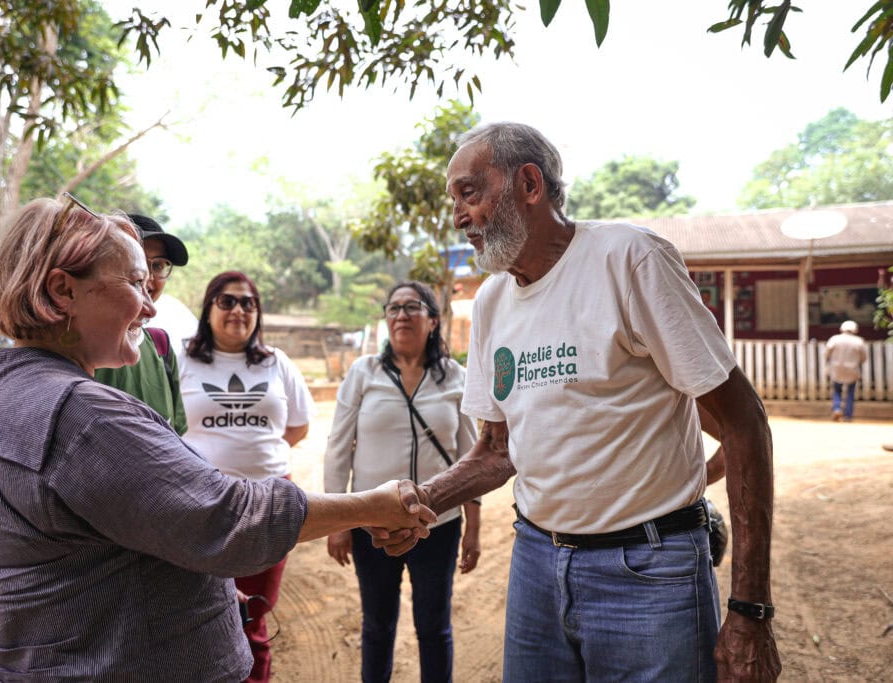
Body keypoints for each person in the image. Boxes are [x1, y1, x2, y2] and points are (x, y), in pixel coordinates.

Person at [0, 194, 437, 681]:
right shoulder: (82, 414)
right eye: (133, 282)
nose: (150, 305)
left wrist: (192, 578)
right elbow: (231, 519)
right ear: (63, 291)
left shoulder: (15, 390)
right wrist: (371, 507)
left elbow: (126, 527)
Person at [372, 123, 781, 681]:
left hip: (650, 569)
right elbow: (497, 450)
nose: (458, 216)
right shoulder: (493, 300)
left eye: (470, 193)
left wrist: (750, 610)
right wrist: (423, 498)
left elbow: (744, 423)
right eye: (454, 201)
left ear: (530, 185)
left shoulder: (629, 259)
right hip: (537, 563)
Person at [324, 281, 480, 683]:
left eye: (413, 307)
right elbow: (339, 449)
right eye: (393, 308)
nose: (401, 315)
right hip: (371, 524)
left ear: (433, 320)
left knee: (434, 627)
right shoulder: (364, 373)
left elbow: (471, 457)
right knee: (377, 625)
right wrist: (339, 522)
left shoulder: (455, 377)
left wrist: (473, 530)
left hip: (438, 526)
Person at [178, 271, 316, 683]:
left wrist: (256, 461)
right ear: (208, 310)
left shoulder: (276, 362)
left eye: (248, 303)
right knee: (197, 616)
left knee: (253, 617)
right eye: (227, 301)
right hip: (197, 506)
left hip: (268, 504)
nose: (238, 310)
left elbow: (299, 426)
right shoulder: (180, 359)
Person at [94, 213, 188, 434]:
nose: (149, 278)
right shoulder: (75, 347)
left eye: (159, 266)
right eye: (138, 262)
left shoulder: (160, 346)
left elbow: (176, 436)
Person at [825, 320, 868, 422]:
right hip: (852, 369)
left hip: (836, 369)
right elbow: (864, 357)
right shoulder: (859, 341)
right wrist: (858, 363)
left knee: (837, 390)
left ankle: (836, 408)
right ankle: (848, 416)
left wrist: (830, 361)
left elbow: (827, 353)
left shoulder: (834, 339)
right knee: (850, 393)